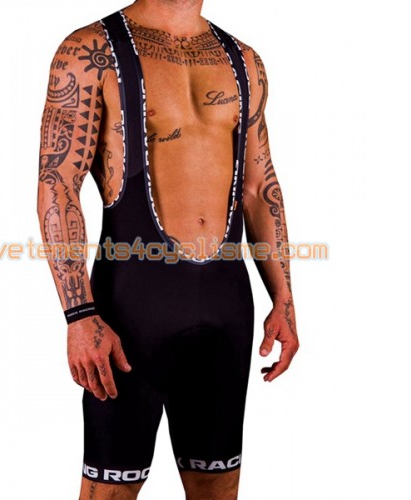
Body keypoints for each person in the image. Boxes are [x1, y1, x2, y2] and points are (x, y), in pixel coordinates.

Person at [37, 0, 299, 498]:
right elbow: (57, 185)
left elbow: (259, 186)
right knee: (109, 489)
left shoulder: (243, 60)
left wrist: (283, 298)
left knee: (217, 487)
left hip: (226, 305)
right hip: (131, 309)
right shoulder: (91, 51)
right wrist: (79, 314)